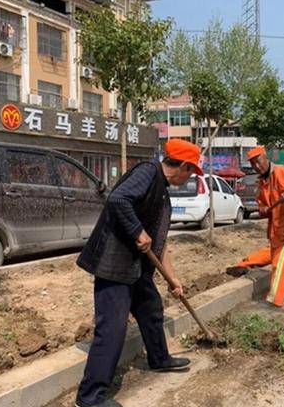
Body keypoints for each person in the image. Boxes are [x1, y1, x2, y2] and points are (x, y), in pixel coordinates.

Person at [75, 139, 203, 407]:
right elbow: (118, 199)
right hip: (115, 264)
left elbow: (160, 242)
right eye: (191, 172)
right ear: (181, 165)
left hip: (137, 267)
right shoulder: (147, 172)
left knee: (151, 308)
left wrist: (173, 278)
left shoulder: (163, 189)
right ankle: (90, 397)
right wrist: (136, 230)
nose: (190, 177)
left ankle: (159, 359)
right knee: (112, 329)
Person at [227, 146, 284, 307]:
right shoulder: (262, 182)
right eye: (253, 164)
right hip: (278, 229)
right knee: (279, 261)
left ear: (265, 158)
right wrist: (263, 209)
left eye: (259, 162)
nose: (257, 166)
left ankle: (275, 299)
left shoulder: (281, 172)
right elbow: (262, 205)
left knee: (278, 263)